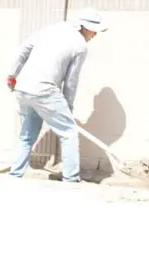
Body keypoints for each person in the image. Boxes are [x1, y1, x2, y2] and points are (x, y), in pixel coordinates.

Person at [7, 8, 108, 182]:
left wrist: (12, 75)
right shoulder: (80, 45)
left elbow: (22, 50)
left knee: (26, 135)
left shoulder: (49, 30)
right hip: (45, 90)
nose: (95, 34)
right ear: (82, 26)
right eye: (94, 30)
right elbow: (70, 82)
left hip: (23, 88)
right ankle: (71, 178)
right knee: (68, 132)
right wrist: (67, 107)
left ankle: (14, 175)